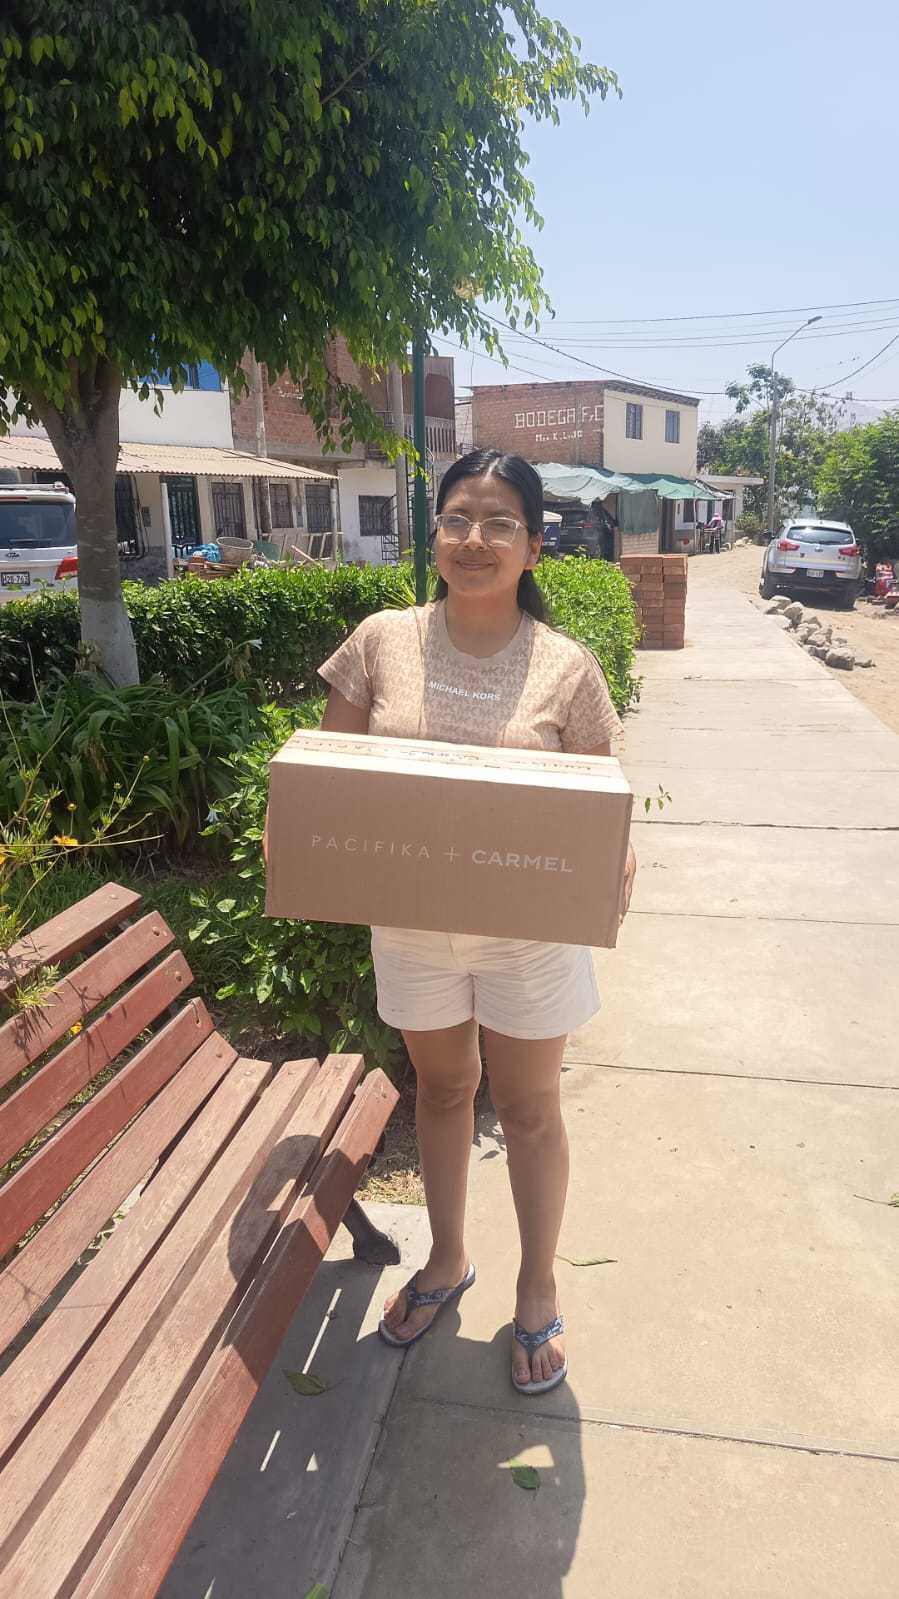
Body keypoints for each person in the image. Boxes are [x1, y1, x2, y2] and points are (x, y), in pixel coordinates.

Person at [309, 450, 637, 1395]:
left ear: (533, 546)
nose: (474, 539)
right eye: (457, 518)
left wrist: (614, 860)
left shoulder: (566, 667)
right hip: (413, 923)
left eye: (499, 523)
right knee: (443, 1088)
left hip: (528, 930)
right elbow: (328, 776)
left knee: (529, 1108)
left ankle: (537, 1284)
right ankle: (447, 1257)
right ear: (434, 535)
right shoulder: (381, 641)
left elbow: (603, 801)